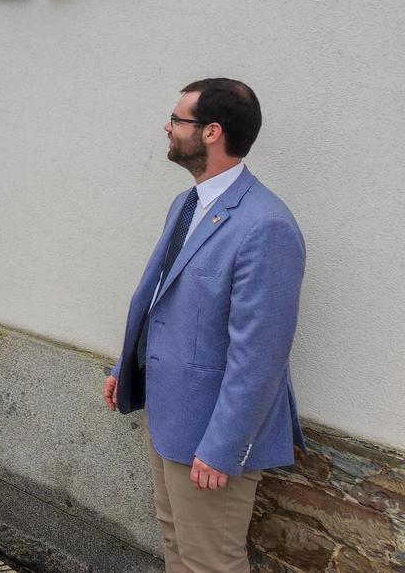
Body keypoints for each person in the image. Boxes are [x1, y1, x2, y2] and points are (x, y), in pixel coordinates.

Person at [104, 79, 306, 573]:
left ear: (211, 132)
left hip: (210, 434)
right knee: (178, 547)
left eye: (178, 120)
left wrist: (222, 448)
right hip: (170, 416)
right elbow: (163, 298)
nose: (168, 128)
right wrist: (126, 365)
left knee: (210, 562)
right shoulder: (188, 204)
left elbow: (260, 356)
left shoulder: (266, 226)